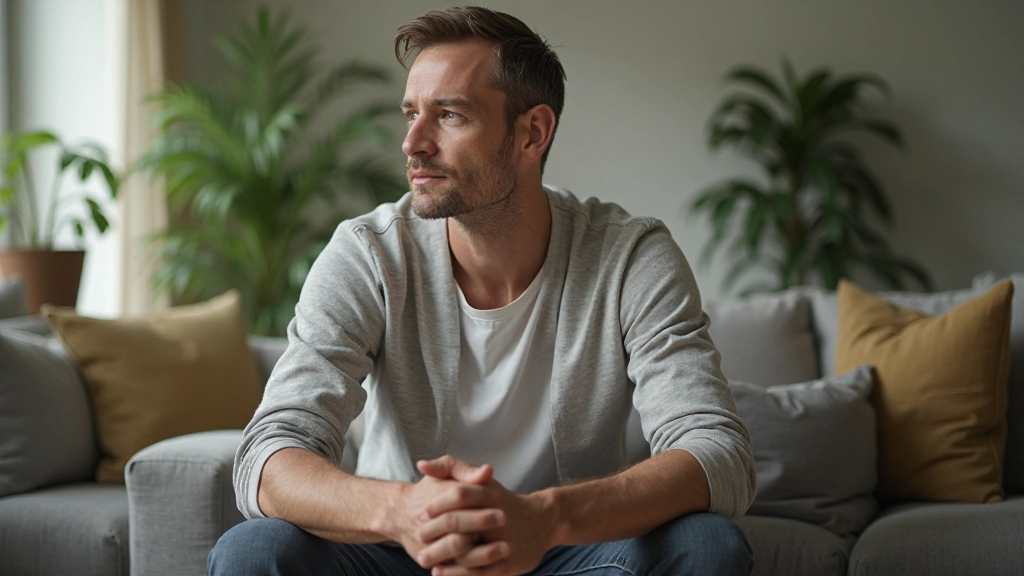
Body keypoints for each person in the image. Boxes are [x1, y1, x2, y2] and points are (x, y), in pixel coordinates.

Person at [209, 6, 755, 576]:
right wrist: (402, 511)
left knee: (708, 544)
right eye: (411, 114)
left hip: (568, 552)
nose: (413, 143)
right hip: (402, 549)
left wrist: (542, 519)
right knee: (254, 550)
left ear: (532, 132)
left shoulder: (630, 257)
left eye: (449, 115)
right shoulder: (368, 253)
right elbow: (270, 456)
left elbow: (718, 452)